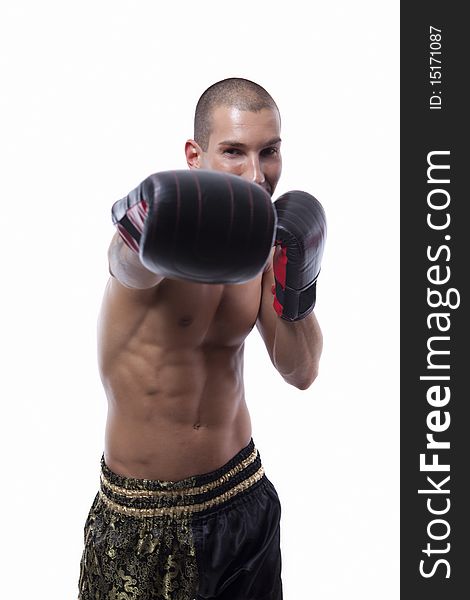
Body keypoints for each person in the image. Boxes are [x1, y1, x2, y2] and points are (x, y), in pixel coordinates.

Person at [78, 77, 326, 600]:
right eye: (234, 152)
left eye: (269, 152)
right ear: (195, 155)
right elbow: (123, 266)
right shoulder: (162, 237)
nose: (257, 175)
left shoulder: (264, 249)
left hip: (244, 498)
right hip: (145, 523)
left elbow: (301, 372)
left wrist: (296, 285)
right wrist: (142, 228)